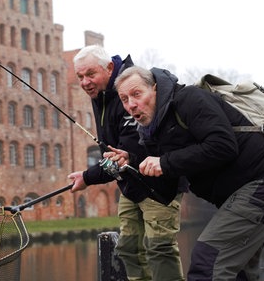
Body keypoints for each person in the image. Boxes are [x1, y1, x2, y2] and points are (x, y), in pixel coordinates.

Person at [114, 66, 264, 280]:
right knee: (243, 275)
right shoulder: (152, 134)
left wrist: (165, 162)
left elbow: (223, 145)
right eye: (124, 99)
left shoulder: (189, 99)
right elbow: (167, 192)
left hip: (263, 184)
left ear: (155, 89)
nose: (131, 104)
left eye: (136, 94)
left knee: (207, 266)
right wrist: (134, 164)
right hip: (238, 196)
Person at [67, 45, 185, 281]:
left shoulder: (129, 91)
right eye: (80, 76)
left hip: (158, 184)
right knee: (128, 249)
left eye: (90, 74)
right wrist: (88, 175)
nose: (85, 82)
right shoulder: (100, 93)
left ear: (109, 68)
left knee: (159, 249)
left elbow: (126, 154)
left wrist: (88, 177)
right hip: (130, 185)